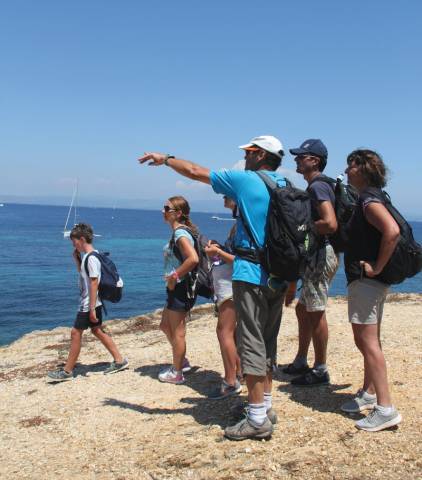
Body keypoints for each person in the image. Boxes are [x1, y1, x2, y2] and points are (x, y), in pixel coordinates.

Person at [138, 135, 288, 441]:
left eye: (248, 152)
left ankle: (258, 418)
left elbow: (194, 171)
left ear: (259, 155)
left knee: (251, 344)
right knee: (268, 342)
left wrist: (165, 158)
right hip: (278, 274)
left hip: (251, 273)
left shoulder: (247, 181)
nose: (245, 157)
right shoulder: (285, 184)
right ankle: (264, 407)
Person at [341, 149, 402, 431]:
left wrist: (376, 266)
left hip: (367, 281)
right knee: (371, 339)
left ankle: (385, 409)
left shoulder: (367, 199)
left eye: (350, 166)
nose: (346, 171)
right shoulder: (377, 196)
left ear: (363, 170)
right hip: (373, 282)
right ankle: (369, 392)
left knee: (367, 342)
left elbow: (391, 231)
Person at [283, 139, 339, 386]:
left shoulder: (317, 187)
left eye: (301, 156)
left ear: (314, 161)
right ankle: (301, 360)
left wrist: (303, 228)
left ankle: (320, 368)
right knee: (302, 308)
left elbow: (330, 223)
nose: (296, 159)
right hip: (318, 253)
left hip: (320, 253)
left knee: (315, 312)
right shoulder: (319, 186)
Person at [47, 223, 128, 381]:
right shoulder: (92, 256)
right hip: (94, 302)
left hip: (89, 303)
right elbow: (85, 275)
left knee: (76, 333)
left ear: (82, 239)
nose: (73, 244)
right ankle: (119, 360)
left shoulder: (91, 259)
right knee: (97, 330)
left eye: (74, 241)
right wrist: (77, 260)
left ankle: (67, 371)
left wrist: (91, 308)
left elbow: (93, 283)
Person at [159, 196, 199, 384]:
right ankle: (181, 360)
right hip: (175, 287)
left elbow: (193, 259)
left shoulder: (180, 235)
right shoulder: (178, 232)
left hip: (181, 287)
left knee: (178, 332)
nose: (163, 211)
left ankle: (177, 372)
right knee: (165, 326)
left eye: (167, 208)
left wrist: (174, 277)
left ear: (179, 213)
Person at [205, 195, 242, 400]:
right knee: (232, 332)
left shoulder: (240, 226)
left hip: (230, 286)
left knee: (224, 332)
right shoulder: (239, 224)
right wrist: (220, 249)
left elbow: (241, 260)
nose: (223, 197)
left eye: (227, 194)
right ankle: (238, 372)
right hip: (231, 284)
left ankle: (230, 381)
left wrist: (217, 251)